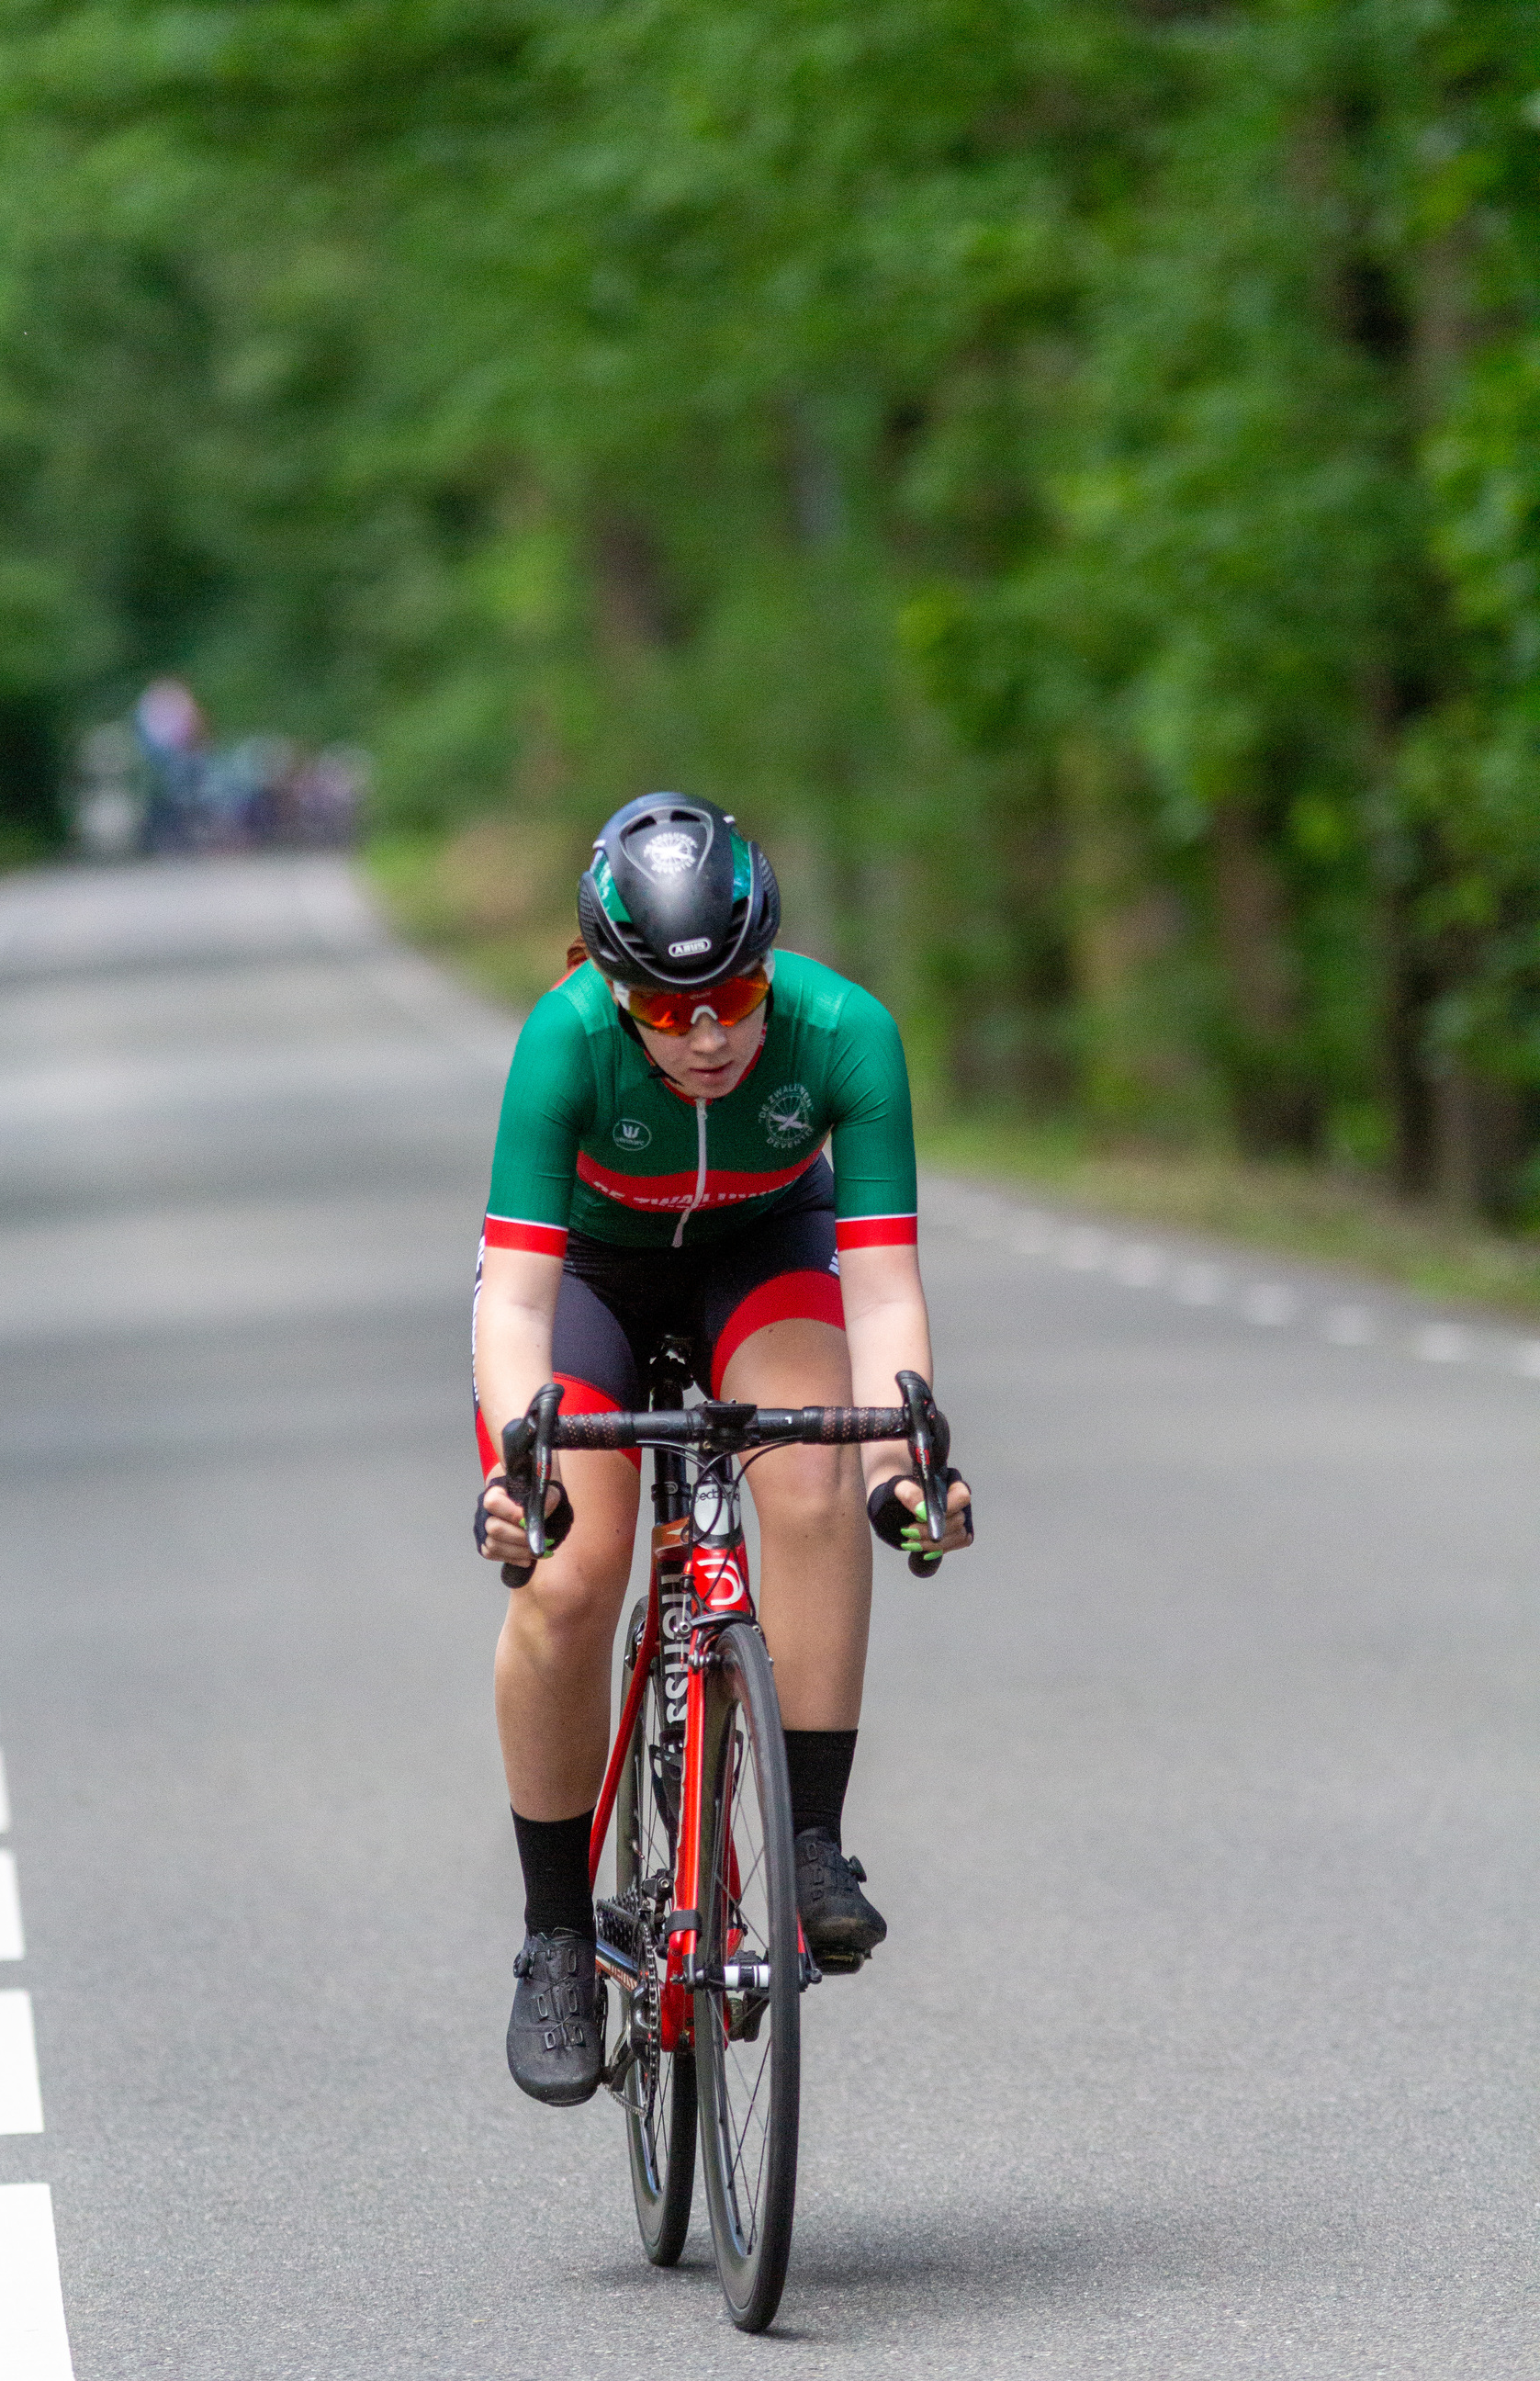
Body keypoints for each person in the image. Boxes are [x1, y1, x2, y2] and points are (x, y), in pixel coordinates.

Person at [472, 795, 973, 2106]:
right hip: (589, 1273)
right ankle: (558, 1938)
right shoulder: (564, 1042)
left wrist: (904, 1463)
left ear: (772, 961)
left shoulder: (847, 1034)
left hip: (762, 1250)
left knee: (812, 1472)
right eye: (664, 1010)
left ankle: (812, 1844)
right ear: (608, 987)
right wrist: (515, 1469)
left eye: (736, 993)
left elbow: (880, 1293)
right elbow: (514, 1303)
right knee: (572, 1579)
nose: (705, 1036)